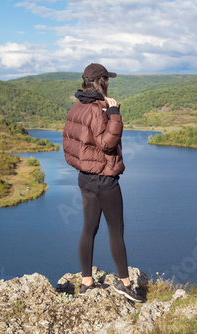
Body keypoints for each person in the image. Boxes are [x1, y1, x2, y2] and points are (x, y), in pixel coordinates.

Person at [62, 63, 143, 303]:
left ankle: (87, 282)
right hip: (105, 179)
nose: (108, 82)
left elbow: (71, 143)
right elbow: (107, 143)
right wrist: (115, 112)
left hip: (85, 178)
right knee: (116, 231)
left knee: (89, 229)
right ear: (101, 82)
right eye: (107, 79)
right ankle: (125, 284)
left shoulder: (77, 107)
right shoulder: (99, 110)